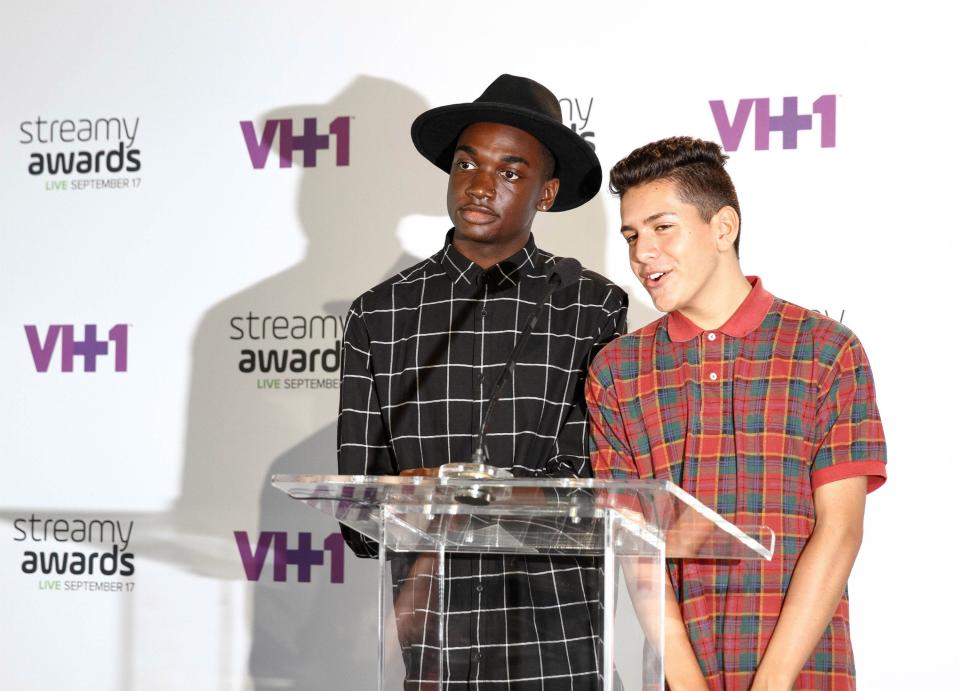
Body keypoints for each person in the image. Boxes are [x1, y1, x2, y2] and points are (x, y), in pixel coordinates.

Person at [337, 74, 628, 689]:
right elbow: (356, 514)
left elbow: (599, 487)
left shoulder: (591, 307)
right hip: (430, 639)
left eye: (510, 171)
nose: (479, 184)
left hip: (558, 634)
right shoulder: (379, 314)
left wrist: (459, 491)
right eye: (467, 162)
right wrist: (392, 503)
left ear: (546, 193)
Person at [585, 137, 886, 690]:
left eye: (662, 227)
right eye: (631, 235)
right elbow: (636, 550)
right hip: (679, 675)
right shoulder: (616, 371)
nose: (642, 253)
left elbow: (840, 531)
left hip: (805, 674)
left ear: (723, 228)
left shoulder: (826, 349)